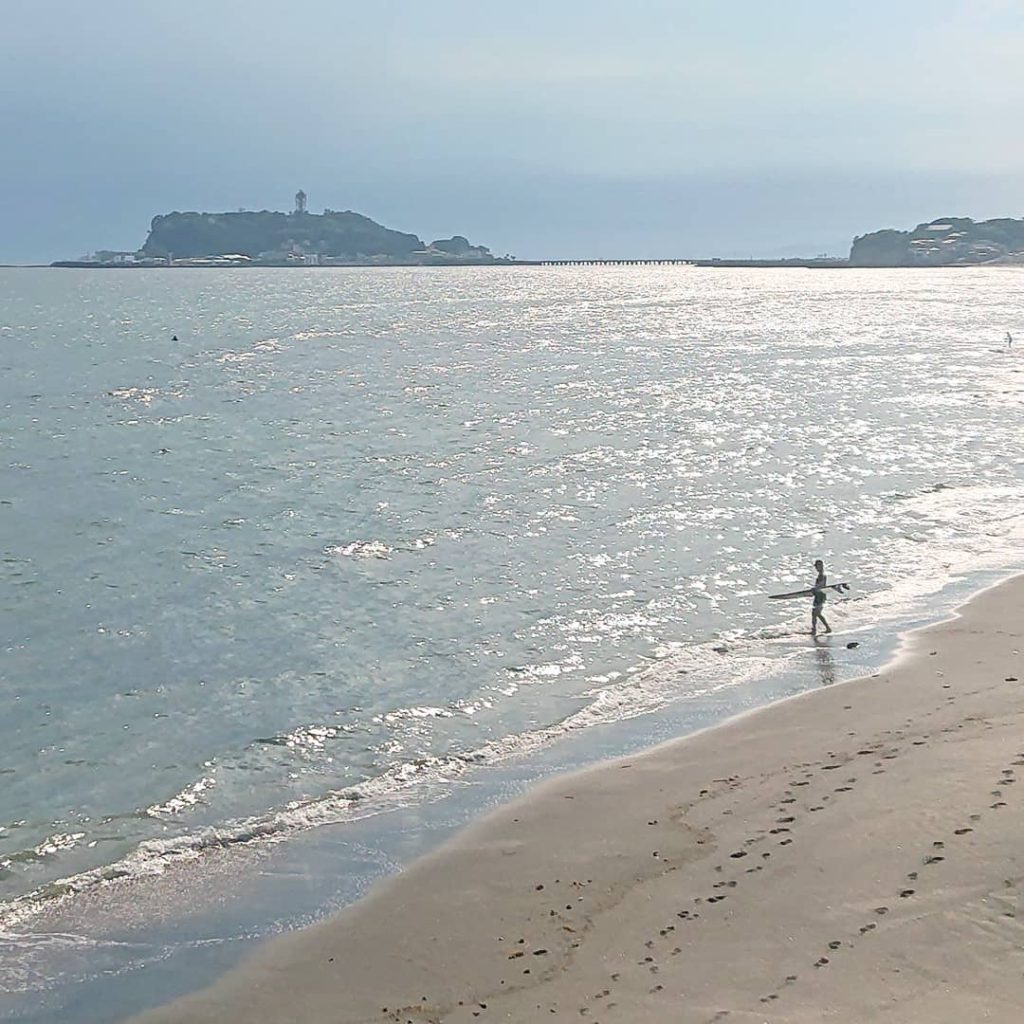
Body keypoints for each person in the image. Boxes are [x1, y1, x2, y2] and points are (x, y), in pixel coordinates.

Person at [811, 558, 831, 637]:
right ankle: (814, 629)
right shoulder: (819, 575)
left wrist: (815, 588)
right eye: (816, 567)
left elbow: (821, 584)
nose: (817, 568)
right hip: (818, 595)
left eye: (818, 566)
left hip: (821, 596)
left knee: (817, 613)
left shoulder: (823, 575)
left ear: (821, 566)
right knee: (814, 613)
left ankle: (827, 628)